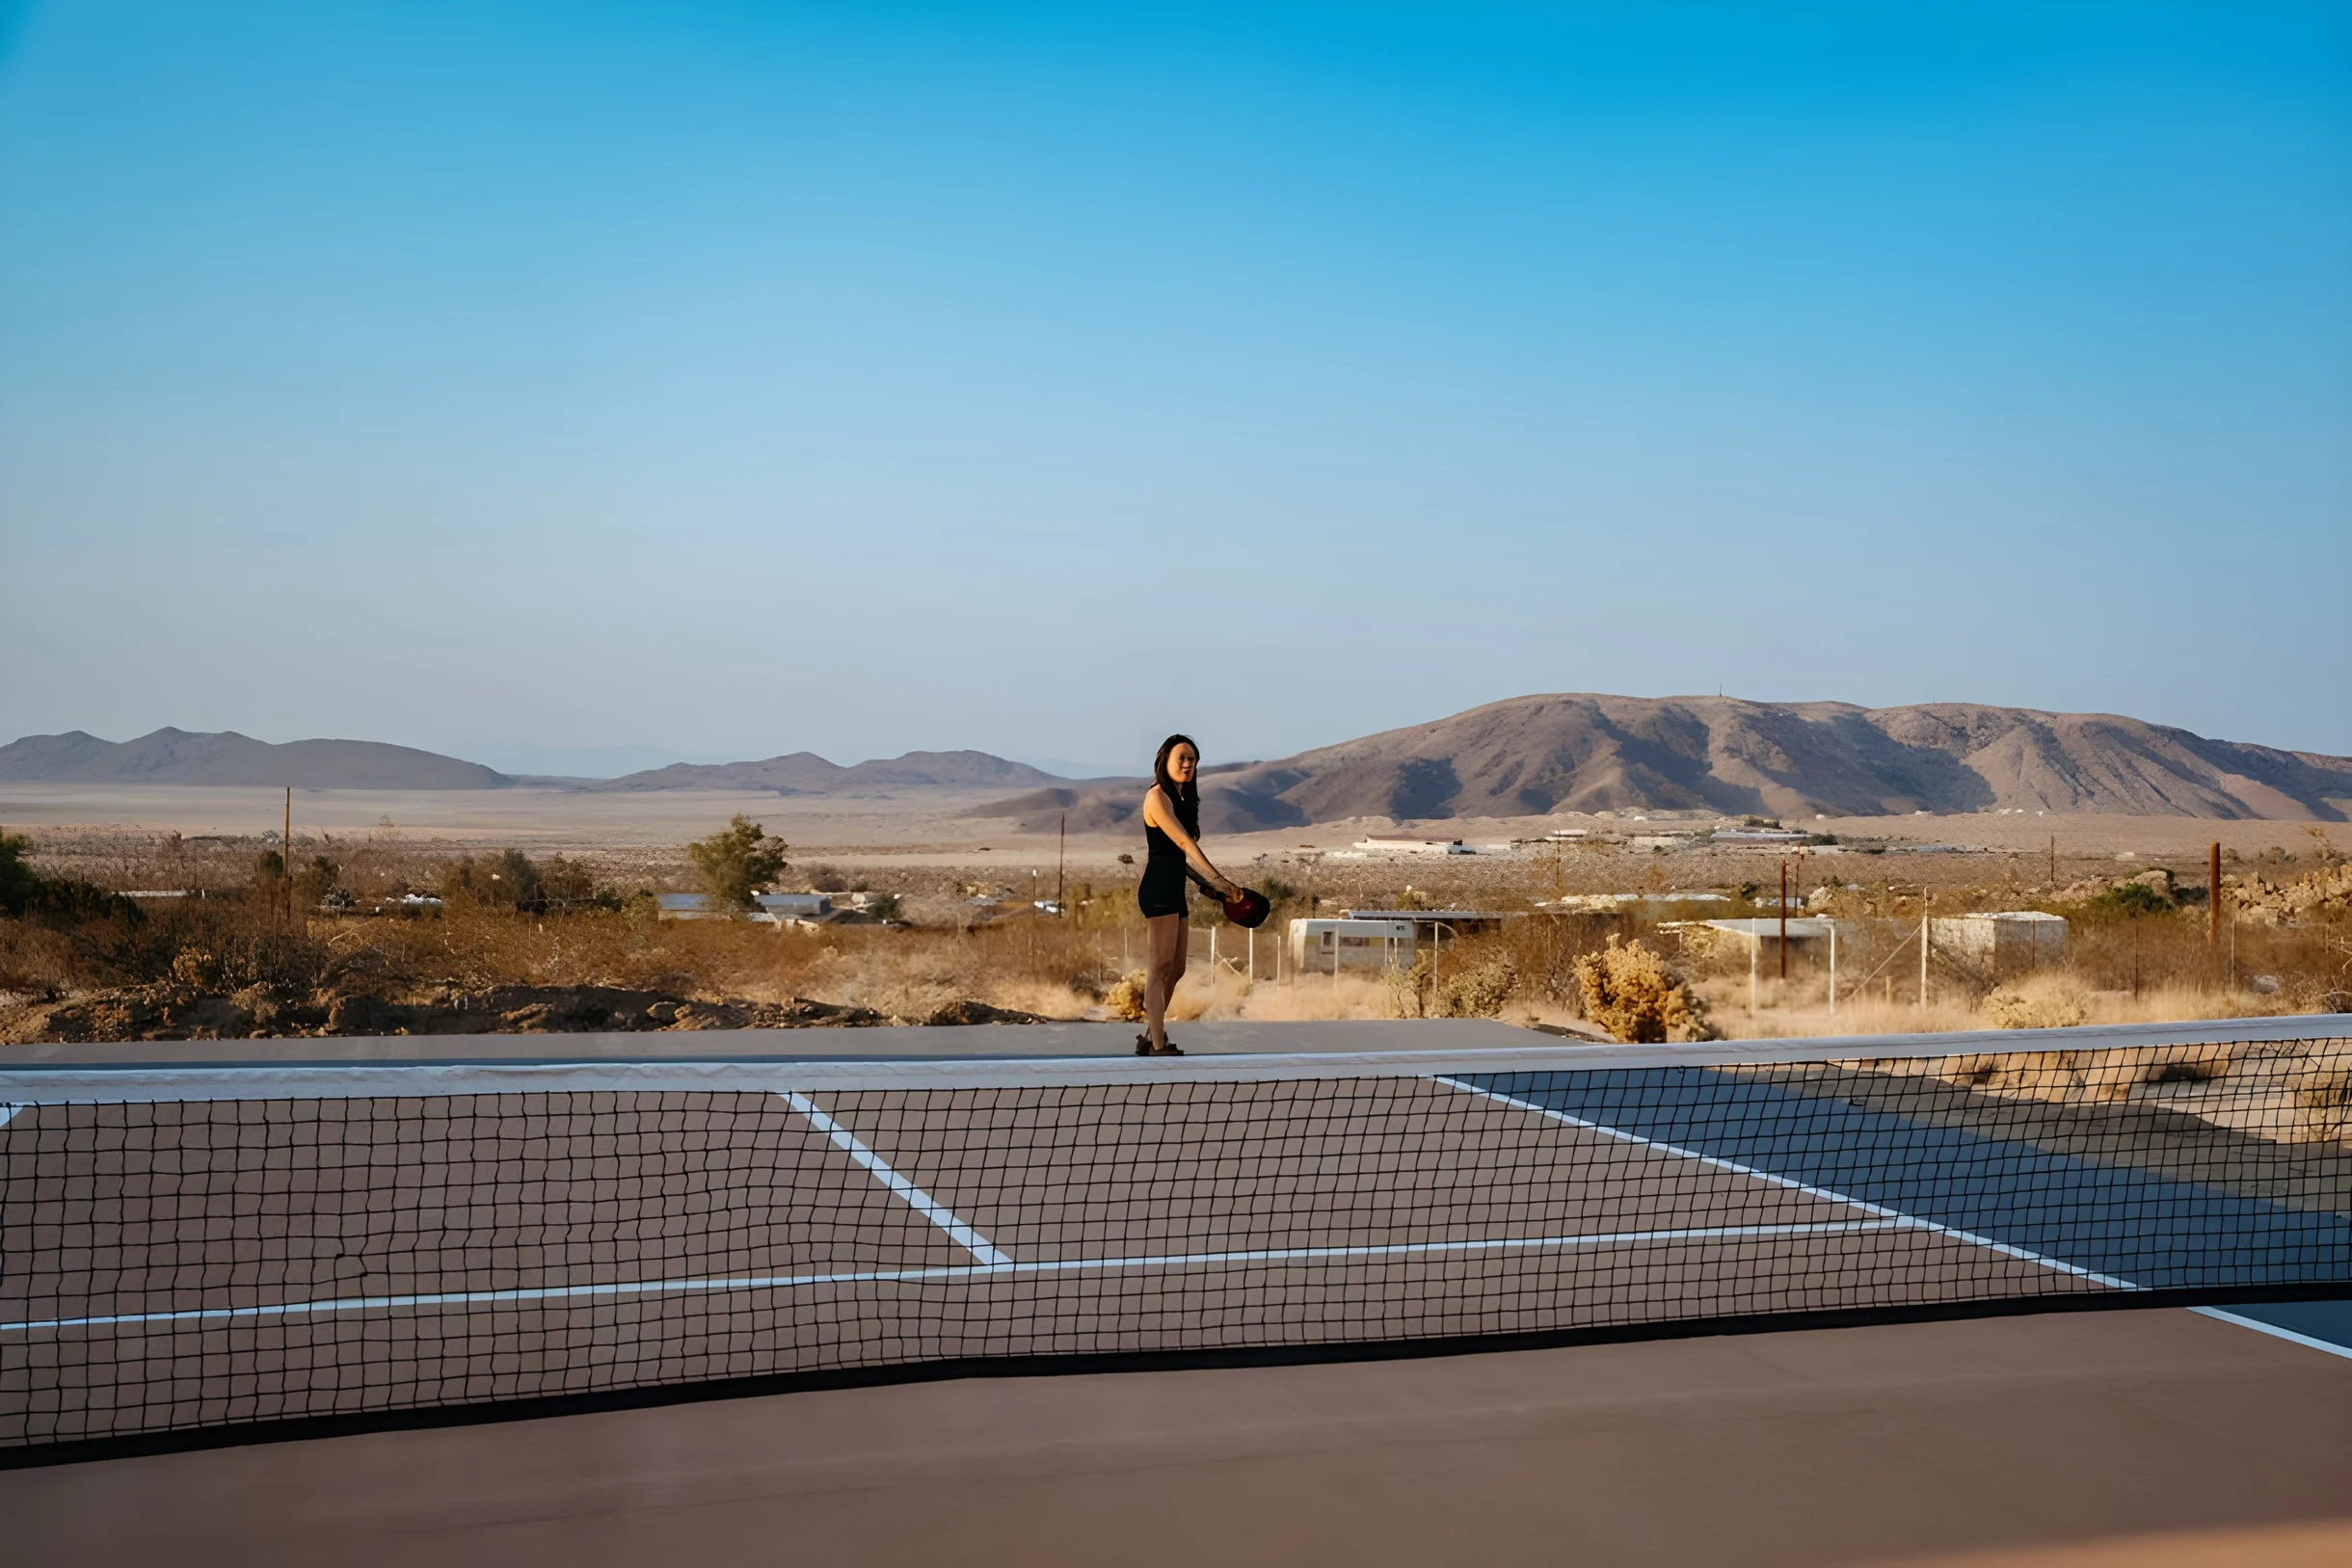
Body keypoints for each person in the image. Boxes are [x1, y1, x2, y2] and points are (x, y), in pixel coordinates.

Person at [1136, 733, 1243, 1056]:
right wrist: (1222, 882)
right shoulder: (1156, 797)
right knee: (1159, 968)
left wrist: (1210, 887)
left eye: (1192, 760)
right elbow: (1183, 844)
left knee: (1177, 968)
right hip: (1158, 890)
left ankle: (1148, 1035)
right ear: (1165, 760)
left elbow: (1180, 861)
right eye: (1181, 758)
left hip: (1174, 889)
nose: (1187, 764)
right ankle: (1157, 1044)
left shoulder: (1179, 800)